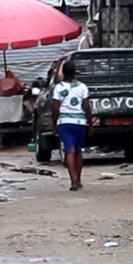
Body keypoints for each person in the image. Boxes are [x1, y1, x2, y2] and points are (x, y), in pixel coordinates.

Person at [49, 62, 93, 191]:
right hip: (80, 123)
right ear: (74, 72)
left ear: (63, 72)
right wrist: (90, 124)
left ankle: (73, 181)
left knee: (69, 149)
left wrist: (54, 124)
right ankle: (78, 179)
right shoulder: (82, 87)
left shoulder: (58, 88)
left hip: (64, 123)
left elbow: (55, 108)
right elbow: (87, 107)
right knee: (78, 151)